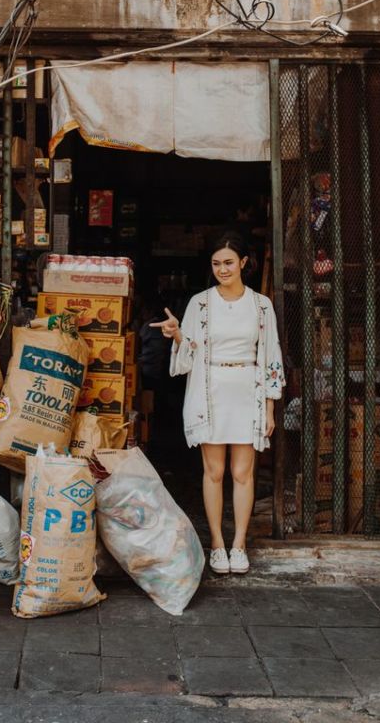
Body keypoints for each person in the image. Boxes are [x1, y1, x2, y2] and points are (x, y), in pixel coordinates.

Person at [151, 231, 284, 575]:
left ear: (243, 263)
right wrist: (178, 334)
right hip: (209, 391)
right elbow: (190, 351)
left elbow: (271, 355)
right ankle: (217, 544)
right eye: (216, 264)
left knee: (243, 473)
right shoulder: (200, 303)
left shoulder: (261, 305)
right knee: (214, 471)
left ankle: (239, 544)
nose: (222, 269)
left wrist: (269, 406)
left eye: (228, 262)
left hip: (247, 390)